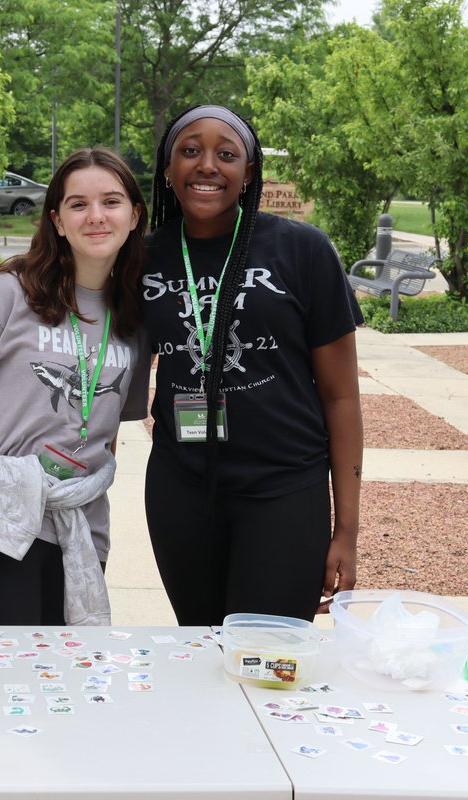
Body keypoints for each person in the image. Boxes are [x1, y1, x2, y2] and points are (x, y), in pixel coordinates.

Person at [140, 104, 364, 625]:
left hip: (284, 488)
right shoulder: (143, 256)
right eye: (190, 150)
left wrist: (346, 530)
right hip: (182, 488)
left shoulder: (302, 250)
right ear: (168, 170)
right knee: (200, 647)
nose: (207, 165)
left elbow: (341, 396)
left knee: (269, 658)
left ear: (249, 171)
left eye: (227, 153)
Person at [0, 147, 150, 626]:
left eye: (111, 202)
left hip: (80, 526)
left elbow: (105, 434)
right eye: (78, 204)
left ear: (134, 215)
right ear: (58, 221)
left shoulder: (134, 318)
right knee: (7, 681)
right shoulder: (8, 294)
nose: (96, 217)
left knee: (66, 682)